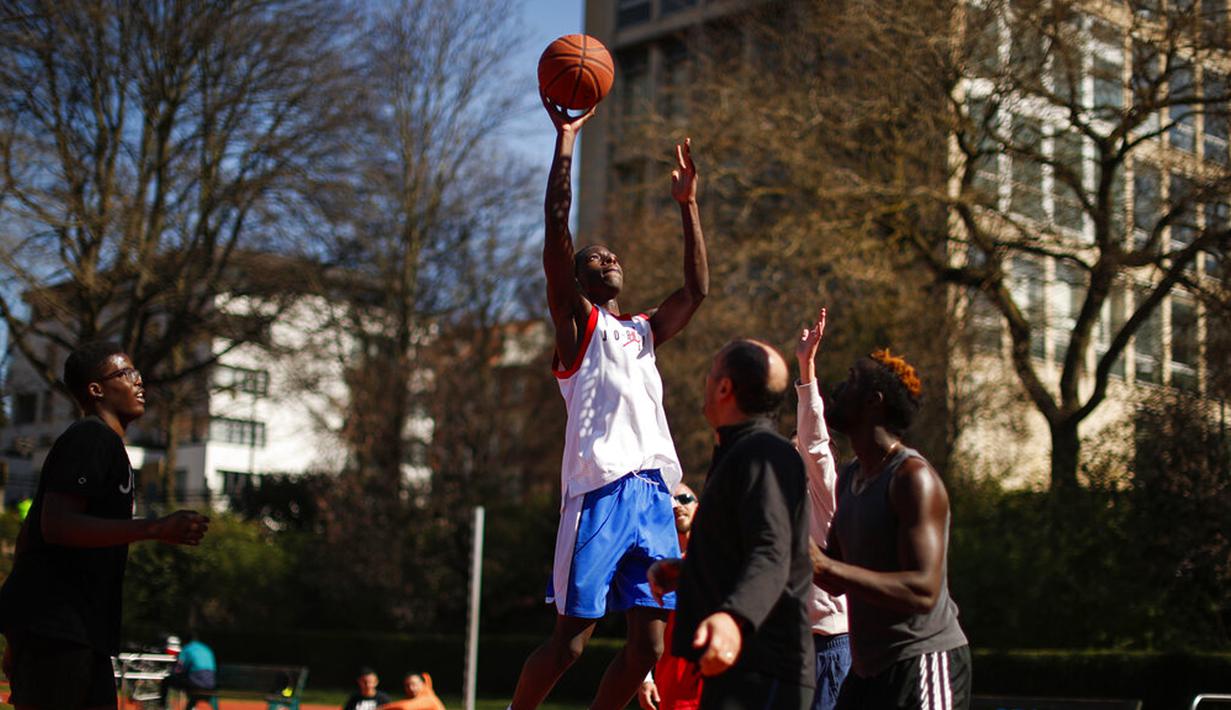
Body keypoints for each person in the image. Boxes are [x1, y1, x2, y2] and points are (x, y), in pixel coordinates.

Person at [510, 88, 709, 710]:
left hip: (653, 495)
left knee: (649, 647)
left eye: (613, 255)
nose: (611, 257)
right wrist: (566, 142)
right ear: (577, 278)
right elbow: (555, 231)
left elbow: (696, 291)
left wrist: (689, 206)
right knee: (569, 644)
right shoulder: (579, 328)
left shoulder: (644, 331)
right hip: (599, 491)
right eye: (596, 257)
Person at [0, 341, 210, 710]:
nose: (139, 380)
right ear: (96, 389)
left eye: (137, 372)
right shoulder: (90, 438)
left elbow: (28, 536)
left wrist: (17, 639)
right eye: (125, 373)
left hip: (75, 633)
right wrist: (153, 528)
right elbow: (56, 526)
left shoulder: (110, 448)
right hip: (58, 632)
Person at [649, 340, 815, 710]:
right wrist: (690, 570)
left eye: (711, 373)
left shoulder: (762, 453)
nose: (706, 381)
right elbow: (745, 545)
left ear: (724, 388)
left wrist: (734, 618)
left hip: (764, 669)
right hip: (741, 668)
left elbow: (772, 548)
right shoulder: (742, 452)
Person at [811, 349, 971, 709]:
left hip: (924, 660)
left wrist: (824, 565)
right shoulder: (851, 476)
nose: (837, 388)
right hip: (869, 670)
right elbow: (833, 574)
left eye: (851, 380)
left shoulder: (913, 478)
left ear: (873, 402)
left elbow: (923, 590)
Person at [793, 308, 851, 710]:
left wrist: (806, 369)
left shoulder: (826, 494)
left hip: (829, 645)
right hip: (792, 647)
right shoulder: (781, 512)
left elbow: (814, 442)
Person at [637, 483, 703, 710]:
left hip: (718, 678)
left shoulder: (717, 558)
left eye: (684, 498)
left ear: (699, 506)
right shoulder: (657, 568)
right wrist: (645, 678)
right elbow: (641, 623)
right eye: (670, 501)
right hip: (674, 685)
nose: (677, 505)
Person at [161, 633, 217, 709]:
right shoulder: (206, 648)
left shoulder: (187, 649)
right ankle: (192, 706)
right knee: (191, 684)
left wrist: (173, 672)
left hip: (195, 683)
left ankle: (162, 705)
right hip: (211, 683)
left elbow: (180, 669)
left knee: (167, 680)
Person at [380, 672, 446, 710]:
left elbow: (405, 707)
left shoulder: (429, 698)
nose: (411, 688)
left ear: (423, 684)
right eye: (407, 685)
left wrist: (381, 708)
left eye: (414, 684)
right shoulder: (412, 698)